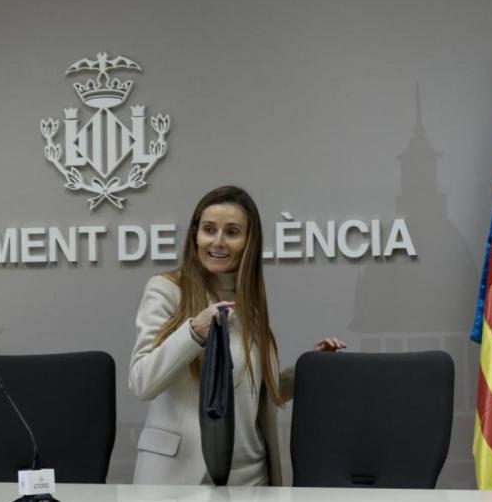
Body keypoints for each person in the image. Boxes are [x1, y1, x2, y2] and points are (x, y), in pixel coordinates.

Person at [129, 185, 344, 486]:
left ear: (248, 242)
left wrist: (312, 368)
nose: (217, 242)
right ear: (195, 235)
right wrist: (193, 333)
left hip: (250, 476)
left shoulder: (251, 304)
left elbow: (255, 392)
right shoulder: (166, 290)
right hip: (178, 478)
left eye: (231, 232)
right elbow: (142, 382)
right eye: (208, 229)